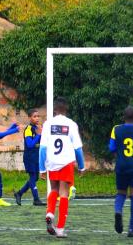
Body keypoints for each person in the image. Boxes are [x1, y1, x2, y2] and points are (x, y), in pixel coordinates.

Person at [39, 97, 85, 238]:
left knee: (54, 189)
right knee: (64, 193)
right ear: (66, 109)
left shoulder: (48, 124)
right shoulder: (71, 124)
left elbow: (42, 148)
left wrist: (41, 168)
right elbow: (77, 149)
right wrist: (81, 166)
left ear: (54, 109)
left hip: (52, 162)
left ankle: (50, 212)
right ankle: (60, 229)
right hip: (66, 162)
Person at [109, 106, 133, 237]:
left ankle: (118, 210)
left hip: (121, 166)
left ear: (123, 117)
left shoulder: (116, 129)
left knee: (121, 193)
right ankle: (131, 229)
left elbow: (111, 147)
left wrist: (119, 156)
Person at [14, 109, 44, 206]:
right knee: (32, 177)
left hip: (36, 157)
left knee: (35, 179)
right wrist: (38, 135)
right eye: (34, 116)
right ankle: (36, 199)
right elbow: (30, 144)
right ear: (29, 118)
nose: (37, 118)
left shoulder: (38, 128)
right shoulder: (28, 129)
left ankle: (19, 193)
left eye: (38, 116)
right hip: (29, 157)